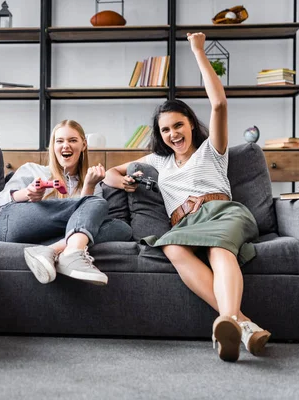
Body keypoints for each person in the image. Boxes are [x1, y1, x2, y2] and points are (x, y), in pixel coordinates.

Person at [104, 33, 271, 362]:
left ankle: (232, 321)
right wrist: (121, 182)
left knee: (218, 248)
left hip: (221, 212)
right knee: (171, 245)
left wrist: (197, 51)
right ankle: (241, 323)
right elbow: (111, 172)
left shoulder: (213, 150)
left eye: (178, 125)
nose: (173, 134)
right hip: (184, 223)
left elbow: (219, 104)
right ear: (161, 136)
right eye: (166, 130)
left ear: (191, 125)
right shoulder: (158, 161)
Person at [0, 120, 132, 286]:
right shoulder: (32, 170)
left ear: (84, 145)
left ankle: (50, 250)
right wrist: (27, 193)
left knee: (122, 228)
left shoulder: (91, 184)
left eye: (72, 140)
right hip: (14, 224)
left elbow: (85, 221)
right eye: (59, 141)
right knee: (96, 203)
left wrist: (88, 186)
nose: (66, 146)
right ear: (53, 146)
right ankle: (71, 252)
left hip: (50, 235)